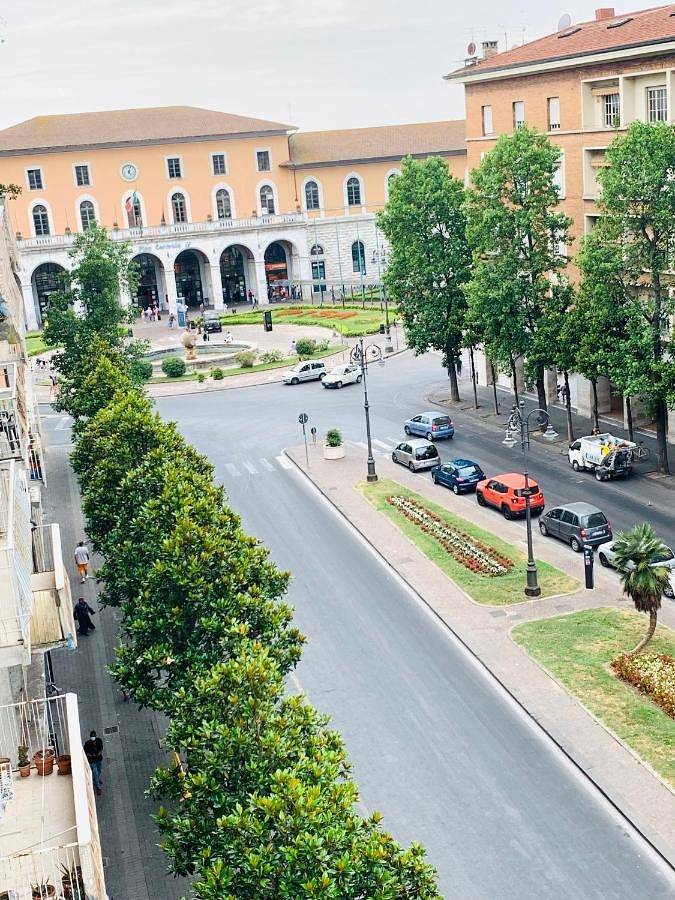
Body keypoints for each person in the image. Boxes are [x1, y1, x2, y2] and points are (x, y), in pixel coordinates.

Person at [84, 731, 104, 796]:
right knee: (95, 772)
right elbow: (86, 753)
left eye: (93, 736)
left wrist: (98, 754)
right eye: (92, 736)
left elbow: (101, 748)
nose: (93, 738)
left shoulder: (99, 741)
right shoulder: (87, 744)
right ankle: (98, 787)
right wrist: (92, 755)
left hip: (98, 759)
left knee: (99, 771)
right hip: (92, 761)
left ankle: (96, 780)